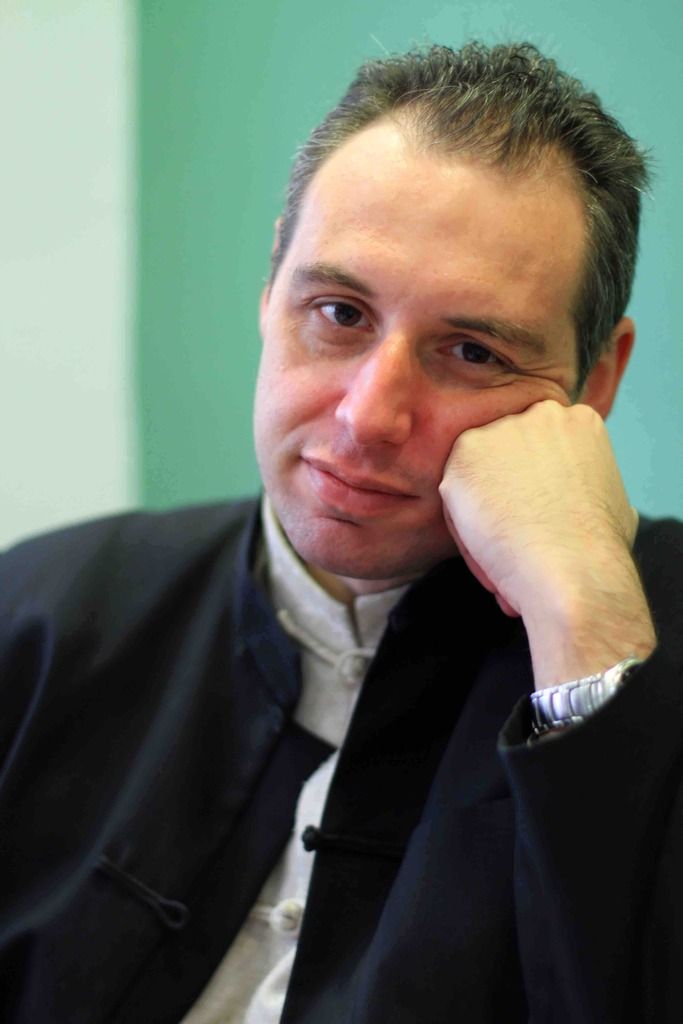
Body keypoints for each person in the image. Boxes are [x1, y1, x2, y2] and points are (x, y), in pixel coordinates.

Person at [1, 40, 681, 1024]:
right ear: (269, 287)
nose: (369, 416)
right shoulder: (41, 615)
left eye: (471, 351)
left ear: (596, 378)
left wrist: (584, 622)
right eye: (338, 311)